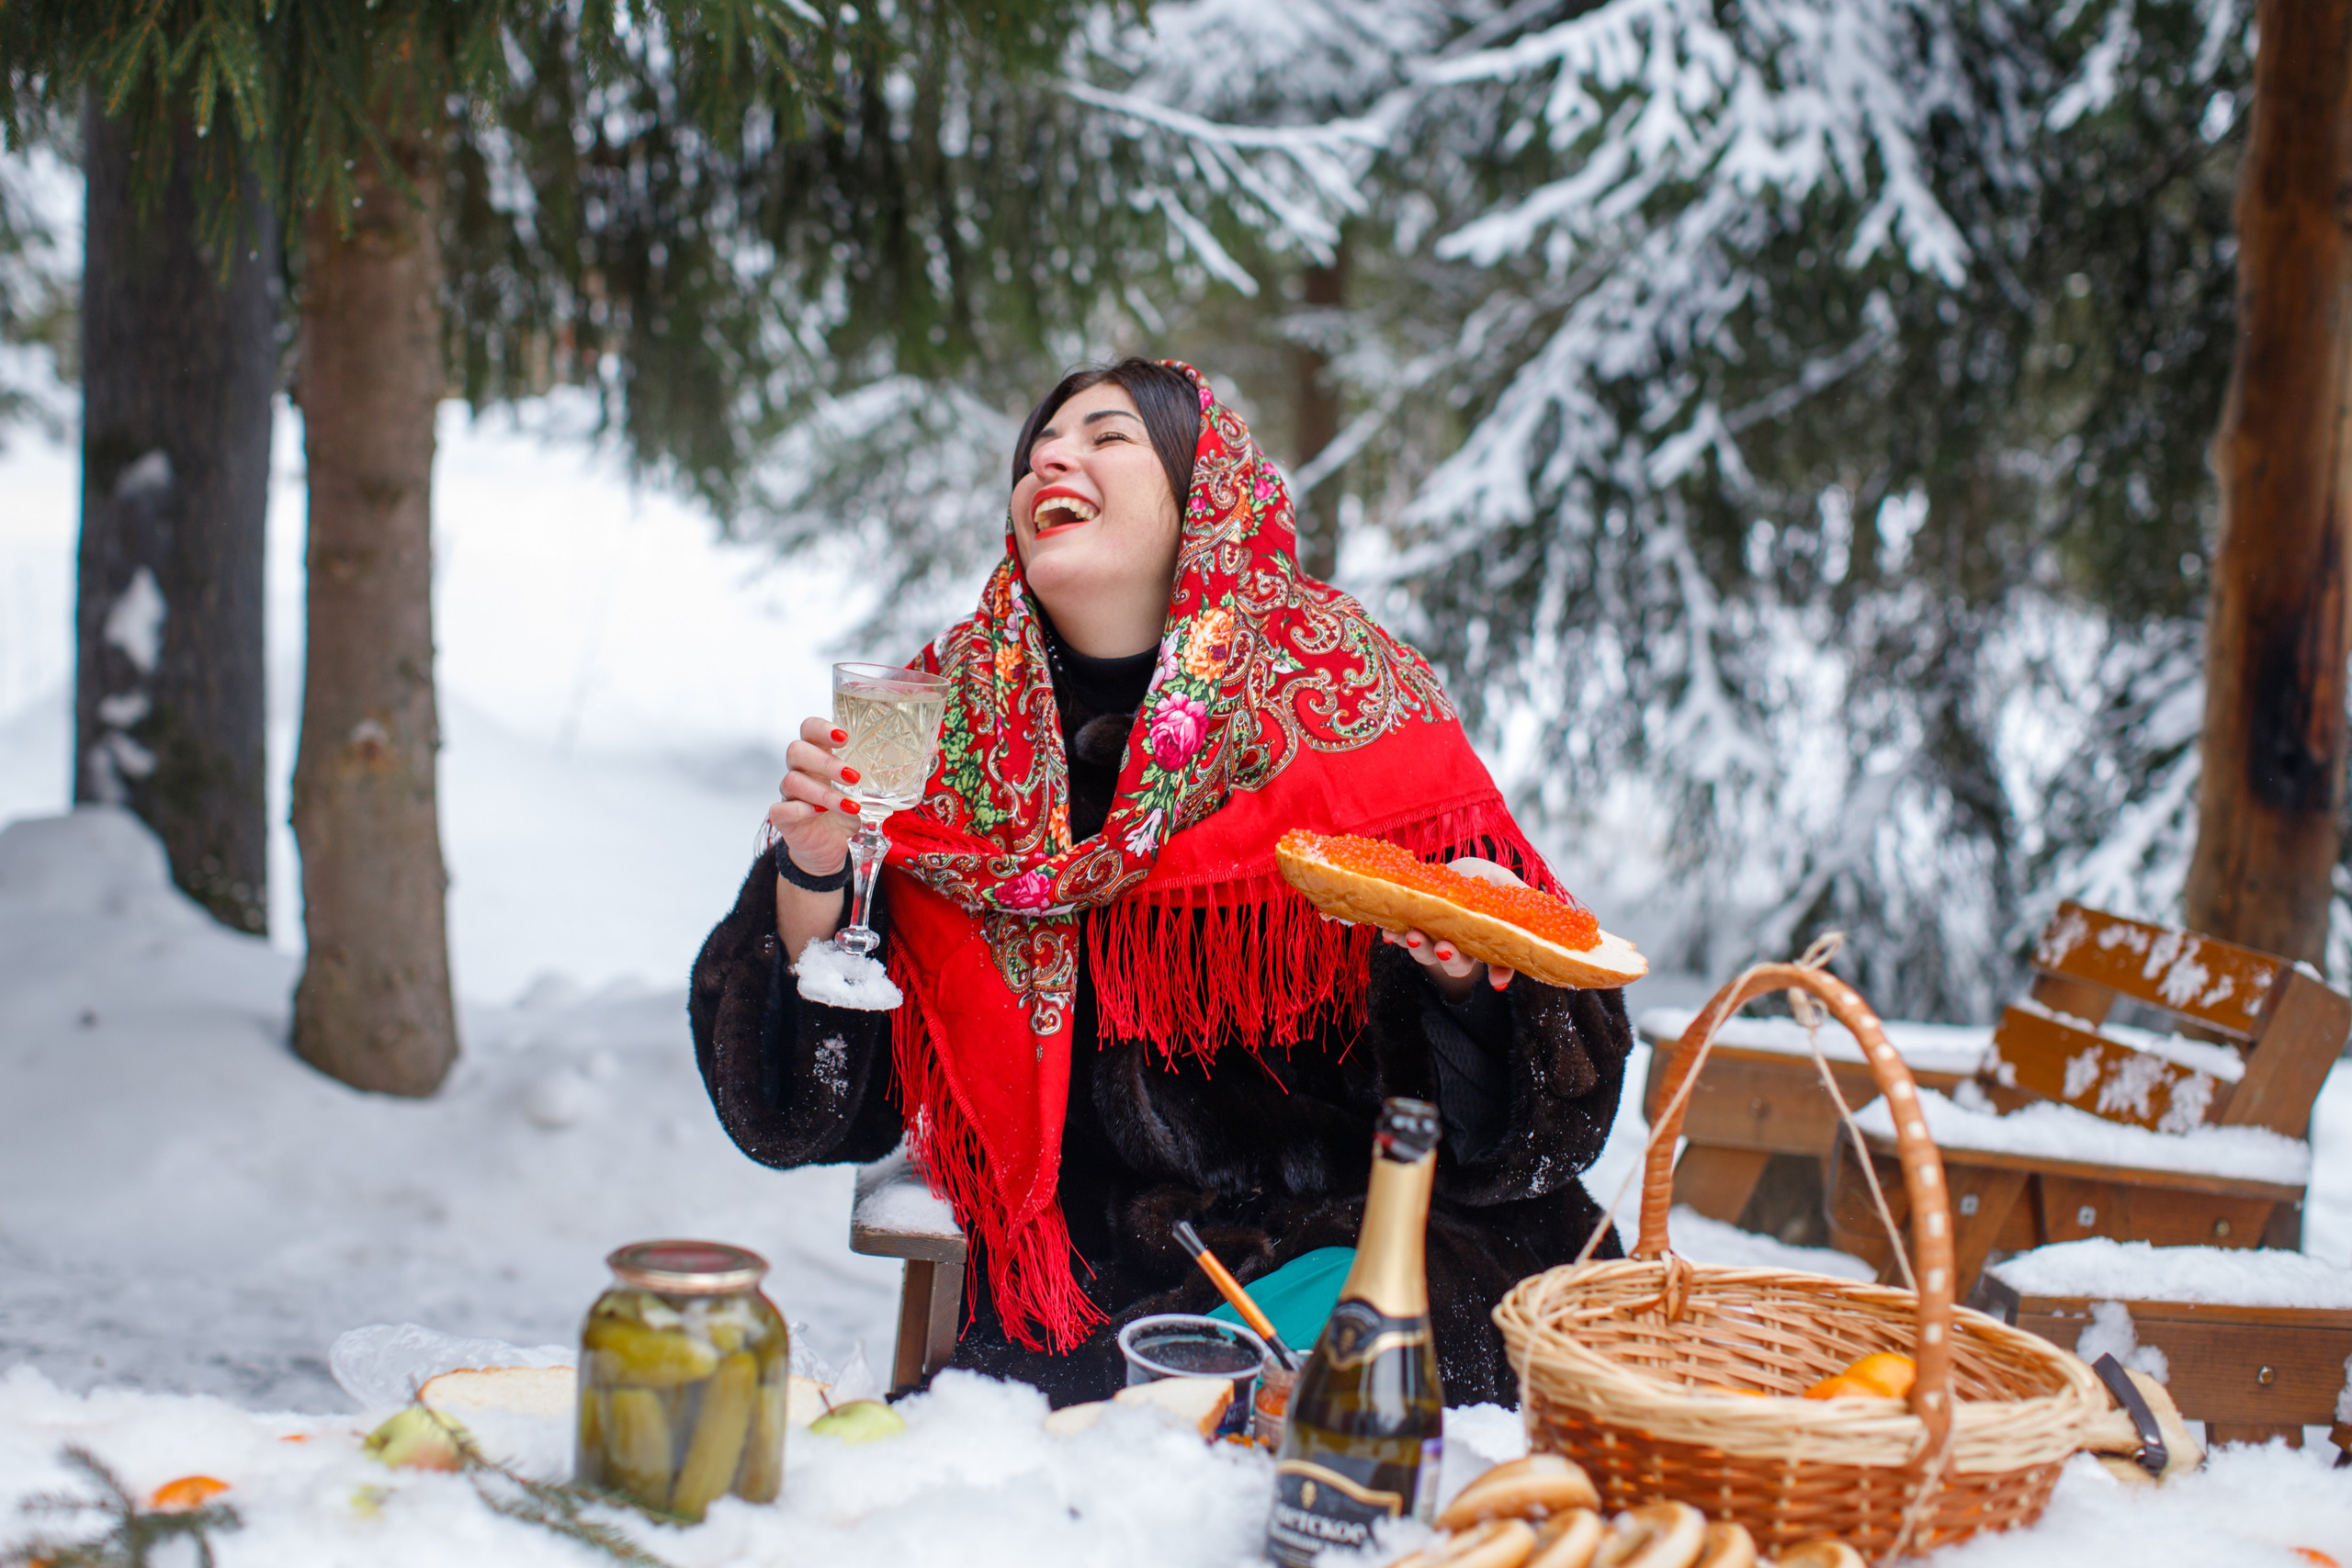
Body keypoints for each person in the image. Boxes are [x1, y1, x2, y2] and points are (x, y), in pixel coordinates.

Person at [689, 358, 1632, 1406]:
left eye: (1106, 435)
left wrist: (1467, 990)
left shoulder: (1347, 688)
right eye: (1039, 447)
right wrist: (813, 876)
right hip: (1093, 1296)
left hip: (1384, 1259)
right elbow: (801, 1116)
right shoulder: (942, 726)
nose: (1052, 455)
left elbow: (1548, 1118)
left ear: (1205, 492)